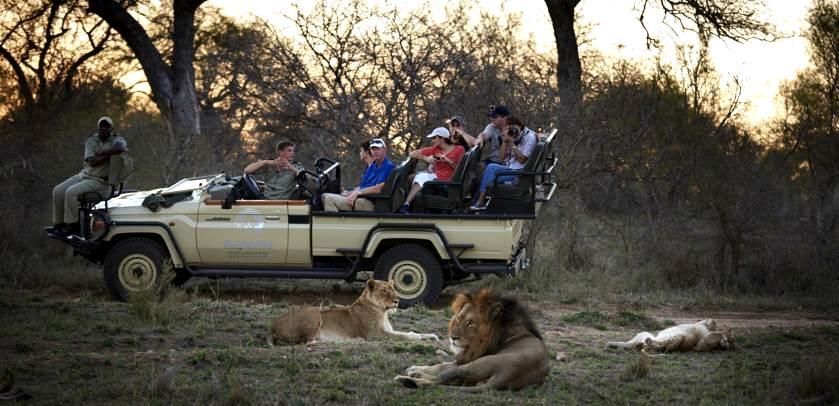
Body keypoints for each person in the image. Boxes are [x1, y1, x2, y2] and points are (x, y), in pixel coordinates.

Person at [51, 116, 127, 234]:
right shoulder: (92, 140)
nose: (103, 129)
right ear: (98, 127)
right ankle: (59, 224)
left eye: (106, 126)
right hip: (84, 175)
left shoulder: (116, 140)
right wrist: (110, 154)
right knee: (58, 190)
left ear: (111, 129)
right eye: (101, 126)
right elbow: (92, 161)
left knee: (71, 192)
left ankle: (73, 225)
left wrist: (104, 153)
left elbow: (120, 147)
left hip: (101, 181)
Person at [470, 115, 538, 211]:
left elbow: (522, 160)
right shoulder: (512, 137)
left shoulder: (529, 137)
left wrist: (512, 144)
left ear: (519, 125)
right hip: (509, 168)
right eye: (509, 128)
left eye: (513, 127)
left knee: (490, 178)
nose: (512, 130)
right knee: (490, 167)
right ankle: (480, 201)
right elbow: (501, 159)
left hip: (519, 172)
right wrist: (505, 141)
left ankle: (481, 200)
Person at [398, 127, 466, 214]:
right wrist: (426, 158)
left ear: (442, 138)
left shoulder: (459, 149)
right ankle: (406, 205)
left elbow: (461, 170)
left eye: (434, 138)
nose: (432, 140)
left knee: (420, 177)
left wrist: (448, 161)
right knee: (419, 177)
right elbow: (412, 153)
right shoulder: (435, 149)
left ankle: (407, 205)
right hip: (436, 179)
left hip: (447, 184)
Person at [322, 138, 395, 212]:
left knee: (329, 199)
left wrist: (357, 193)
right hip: (362, 199)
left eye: (378, 149)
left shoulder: (388, 166)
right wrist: (351, 193)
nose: (375, 152)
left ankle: (334, 223)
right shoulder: (372, 166)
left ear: (385, 150)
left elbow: (379, 188)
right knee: (324, 196)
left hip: (371, 202)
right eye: (373, 149)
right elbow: (363, 185)